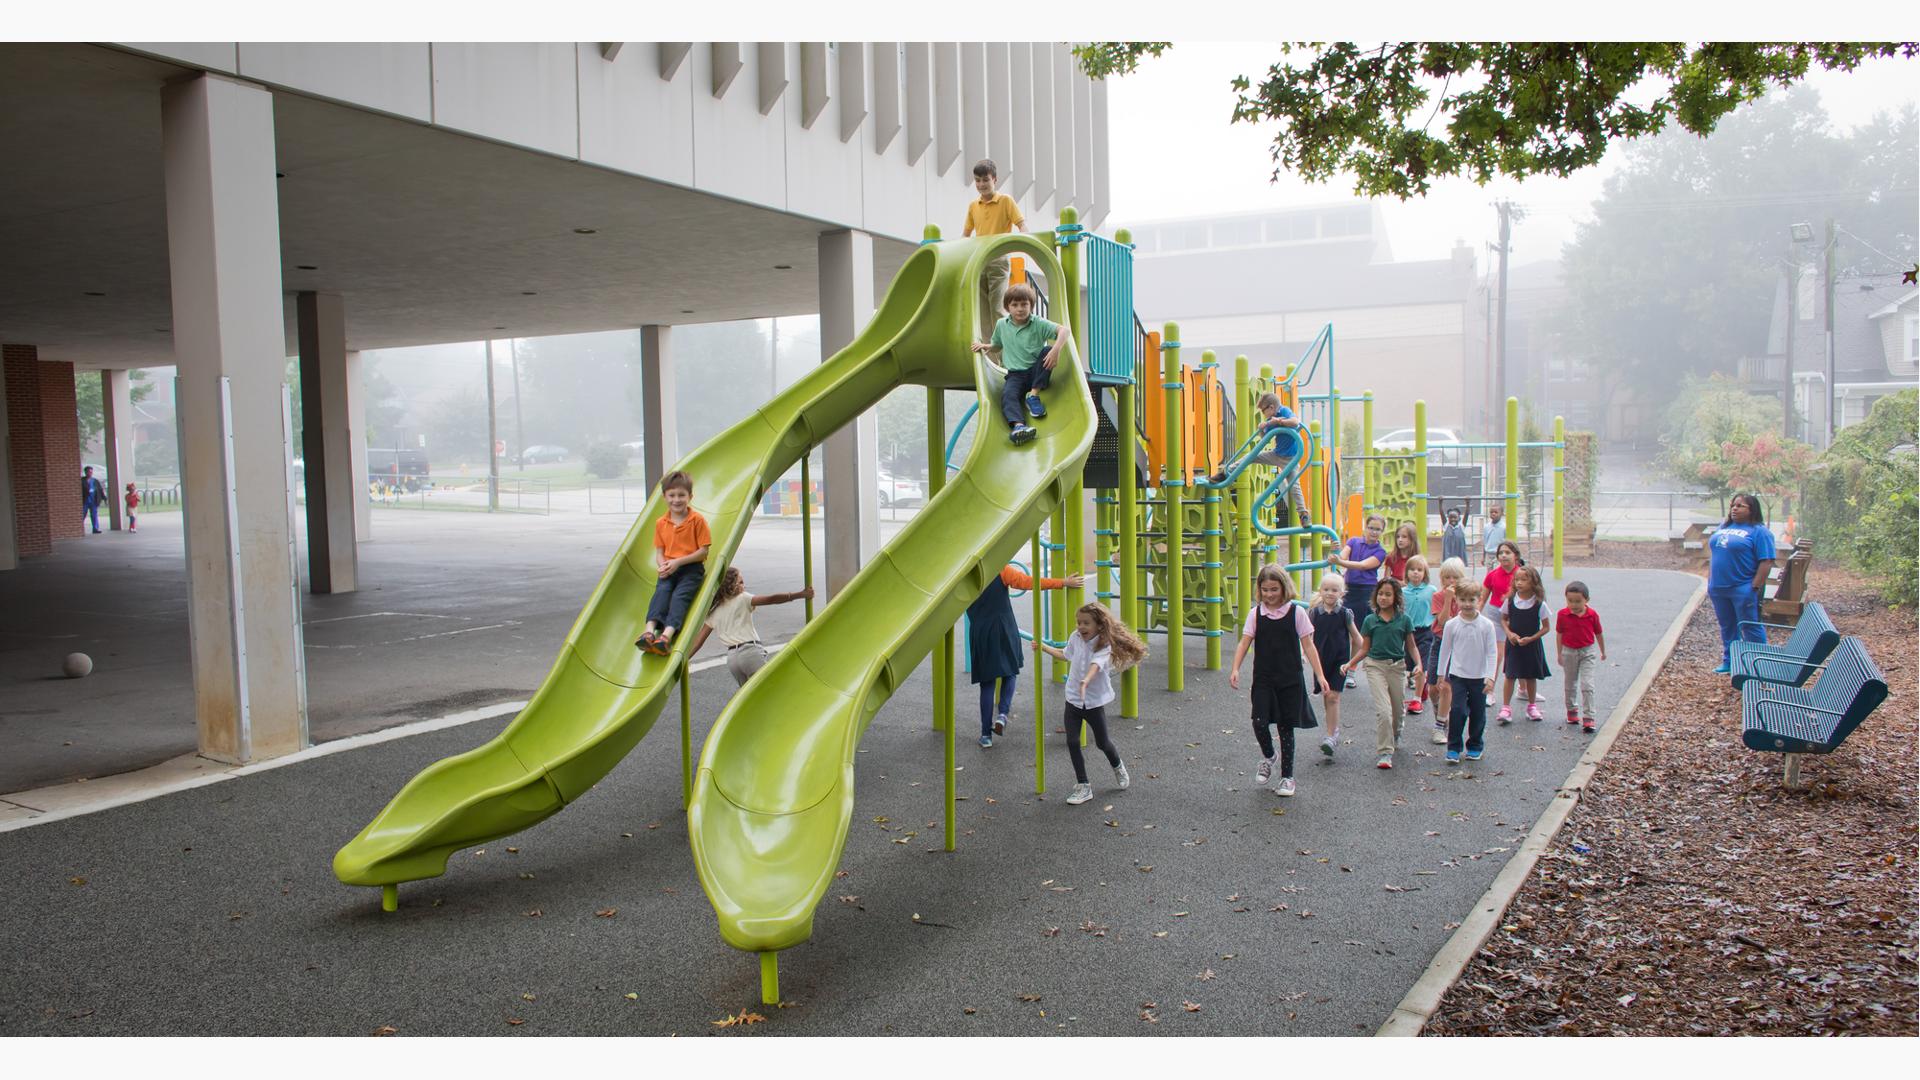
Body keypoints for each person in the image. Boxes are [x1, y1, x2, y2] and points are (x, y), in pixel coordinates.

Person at [1229, 564, 1330, 798]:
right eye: (1265, 590)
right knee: (1259, 721)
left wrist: (1320, 675)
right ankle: (1269, 756)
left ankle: (1287, 777)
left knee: (1286, 727)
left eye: (1274, 589)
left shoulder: (1297, 613)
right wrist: (1235, 668)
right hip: (1264, 677)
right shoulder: (1256, 614)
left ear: (1284, 588)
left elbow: (1309, 645)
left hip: (1289, 678)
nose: (1269, 595)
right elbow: (1244, 642)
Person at [1032, 602, 1146, 806]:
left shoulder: (1104, 644)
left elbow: (1096, 665)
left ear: (1099, 625)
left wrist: (1085, 681)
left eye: (1086, 623)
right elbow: (1065, 655)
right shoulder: (1075, 638)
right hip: (1073, 700)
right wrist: (1043, 647)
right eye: (1078, 622)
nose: (1081, 627)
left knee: (1103, 742)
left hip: (1093, 703)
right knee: (1072, 741)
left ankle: (1118, 765)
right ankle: (1083, 785)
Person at [968, 563, 1085, 748]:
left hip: (980, 631)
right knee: (1010, 672)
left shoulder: (963, 575)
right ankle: (1003, 714)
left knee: (987, 682)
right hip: (1003, 626)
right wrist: (1062, 582)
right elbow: (1028, 582)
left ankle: (985, 735)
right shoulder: (999, 568)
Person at [971, 284, 1068, 446]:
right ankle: (1019, 426)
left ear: (1031, 305)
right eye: (1014, 305)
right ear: (1008, 307)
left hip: (1035, 371)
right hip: (1015, 374)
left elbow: (1064, 331)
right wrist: (987, 346)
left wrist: (1056, 350)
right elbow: (997, 344)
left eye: (1024, 304)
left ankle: (1033, 395)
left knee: (1047, 350)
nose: (1020, 309)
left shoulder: (1037, 323)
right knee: (1008, 396)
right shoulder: (1002, 324)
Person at [1341, 576, 1421, 770]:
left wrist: (1418, 664)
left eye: (1388, 594)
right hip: (1375, 666)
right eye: (1380, 594)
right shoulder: (1370, 620)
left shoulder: (1404, 620)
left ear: (1396, 598)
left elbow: (1411, 646)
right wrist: (1349, 664)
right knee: (1384, 712)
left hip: (1397, 667)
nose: (1383, 598)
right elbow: (1364, 648)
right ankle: (1385, 752)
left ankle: (1396, 732)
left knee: (1397, 711)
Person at [684, 567, 813, 687]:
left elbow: (698, 642)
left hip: (732, 660)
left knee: (748, 697)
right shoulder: (743, 598)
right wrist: (799, 595)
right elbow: (771, 599)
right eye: (740, 582)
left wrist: (685, 659)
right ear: (731, 586)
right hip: (750, 652)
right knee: (767, 688)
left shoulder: (714, 611)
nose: (743, 585)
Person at [635, 471, 710, 657]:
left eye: (681, 495)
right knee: (661, 593)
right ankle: (649, 631)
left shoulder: (697, 520)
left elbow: (703, 551)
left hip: (691, 568)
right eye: (672, 495)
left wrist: (678, 562)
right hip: (669, 567)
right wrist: (663, 565)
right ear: (664, 497)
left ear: (690, 497)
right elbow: (659, 552)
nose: (676, 500)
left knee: (679, 597)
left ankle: (666, 636)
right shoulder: (661, 523)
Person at [1209, 392, 1308, 526]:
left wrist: (1278, 421)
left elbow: (1296, 422)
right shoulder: (1270, 420)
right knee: (1251, 456)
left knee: (1294, 486)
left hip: (1291, 459)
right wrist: (1262, 428)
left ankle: (1303, 515)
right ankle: (1225, 474)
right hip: (1277, 455)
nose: (1263, 414)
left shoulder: (1284, 411)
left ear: (1271, 407)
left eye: (1263, 410)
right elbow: (1264, 440)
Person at [1706, 492, 1777, 676]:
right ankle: (1730, 662)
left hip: (1742, 588)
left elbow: (1767, 561)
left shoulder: (1759, 531)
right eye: (1733, 505)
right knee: (1727, 626)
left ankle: (1759, 665)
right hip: (1718, 588)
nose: (1734, 508)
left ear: (1751, 509)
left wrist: (1753, 586)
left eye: (1740, 506)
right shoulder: (1724, 526)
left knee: (1749, 626)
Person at [960, 158, 1026, 348]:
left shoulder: (1005, 201)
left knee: (997, 309)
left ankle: (1008, 353)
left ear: (994, 179)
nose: (981, 184)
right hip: (979, 260)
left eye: (985, 180)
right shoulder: (974, 206)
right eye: (977, 180)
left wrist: (1028, 240)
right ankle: (992, 357)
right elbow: (966, 234)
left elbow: (1021, 224)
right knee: (983, 314)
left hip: (998, 258)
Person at [1434, 582, 1499, 763]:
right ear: (1456, 600)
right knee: (1457, 710)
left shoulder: (1486, 625)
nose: (1467, 603)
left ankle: (1475, 745)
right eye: (1463, 599)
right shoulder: (1452, 625)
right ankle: (1454, 747)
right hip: (1458, 676)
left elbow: (1492, 652)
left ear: (1479, 600)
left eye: (1472, 600)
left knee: (1478, 713)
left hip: (1479, 677)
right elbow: (1445, 650)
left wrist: (1490, 677)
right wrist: (1441, 675)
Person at [1306, 573, 1363, 758]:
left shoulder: (1345, 614)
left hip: (1340, 661)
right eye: (1326, 589)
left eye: (1334, 590)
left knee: (1333, 697)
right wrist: (1304, 654)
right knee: (1327, 695)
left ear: (1342, 593)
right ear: (1320, 591)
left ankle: (1331, 735)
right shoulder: (1314, 613)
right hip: (1321, 661)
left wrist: (1353, 662)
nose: (1330, 593)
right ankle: (1332, 729)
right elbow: (1306, 638)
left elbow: (1357, 639)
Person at [1329, 513, 1388, 688]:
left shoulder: (1380, 551)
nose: (1374, 532)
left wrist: (1340, 561)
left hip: (1366, 592)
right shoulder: (1354, 541)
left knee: (1357, 633)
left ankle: (1352, 671)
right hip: (1348, 590)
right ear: (1365, 527)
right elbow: (1343, 556)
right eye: (1371, 528)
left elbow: (1363, 565)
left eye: (1378, 529)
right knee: (1340, 630)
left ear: (1382, 531)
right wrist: (1336, 552)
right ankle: (1340, 666)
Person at [1498, 564, 1553, 723]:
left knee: (1530, 676)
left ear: (1533, 582)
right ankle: (1506, 708)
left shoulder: (1539, 604)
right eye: (1517, 580)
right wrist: (1510, 634)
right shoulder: (1510, 601)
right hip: (1514, 645)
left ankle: (1532, 706)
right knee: (1510, 675)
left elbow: (1546, 627)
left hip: (1531, 645)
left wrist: (1531, 638)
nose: (1519, 583)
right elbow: (1503, 619)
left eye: (1524, 579)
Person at [1425, 558, 1467, 743]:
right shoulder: (1438, 596)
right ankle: (1439, 710)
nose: (1451, 581)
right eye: (1447, 577)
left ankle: (1439, 727)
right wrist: (1448, 599)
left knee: (1447, 685)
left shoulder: (1466, 597)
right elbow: (1443, 622)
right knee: (1433, 687)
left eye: (1455, 577)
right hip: (1439, 641)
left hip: (1457, 644)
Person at [1556, 581, 1607, 733]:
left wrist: (1602, 651)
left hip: (1587, 652)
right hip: (1569, 651)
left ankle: (1589, 716)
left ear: (1586, 600)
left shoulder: (1592, 615)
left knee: (1587, 684)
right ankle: (1571, 710)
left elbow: (1598, 633)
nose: (1574, 604)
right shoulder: (1562, 615)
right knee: (1570, 683)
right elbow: (1559, 634)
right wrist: (1559, 653)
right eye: (1570, 601)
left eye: (1578, 601)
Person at [1402, 555, 1436, 716]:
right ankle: (1422, 688)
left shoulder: (1431, 590)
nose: (1416, 573)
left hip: (1426, 632)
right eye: (1412, 569)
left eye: (1419, 570)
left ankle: (1416, 699)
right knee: (1409, 666)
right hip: (1408, 633)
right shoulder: (1402, 592)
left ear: (1425, 573)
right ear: (1407, 572)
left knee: (1421, 664)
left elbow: (1436, 609)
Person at [80, 466, 106, 534]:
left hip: (93, 501)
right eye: (88, 472)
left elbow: (100, 490)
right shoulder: (81, 480)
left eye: (91, 472)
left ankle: (95, 529)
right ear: (85, 472)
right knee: (82, 514)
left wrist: (104, 498)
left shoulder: (95, 481)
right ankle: (79, 529)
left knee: (94, 515)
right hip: (85, 501)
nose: (90, 473)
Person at [1480, 503, 1506, 567]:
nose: (1493, 514)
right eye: (1491, 512)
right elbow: (1485, 542)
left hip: (1499, 554)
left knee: (1497, 572)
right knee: (1490, 573)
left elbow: (1506, 542)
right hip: (1489, 554)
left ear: (1501, 514)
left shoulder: (1504, 527)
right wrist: (1483, 557)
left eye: (1496, 512)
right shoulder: (1487, 527)